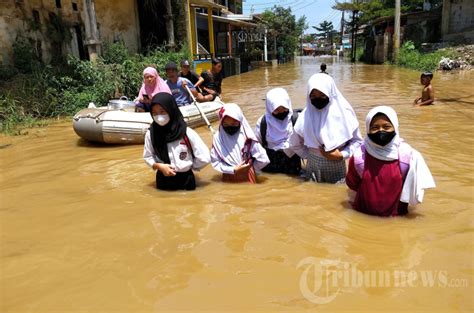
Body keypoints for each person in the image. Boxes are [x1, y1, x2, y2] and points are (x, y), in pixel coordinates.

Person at [346, 106, 435, 216]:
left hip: (396, 216)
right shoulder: (359, 157)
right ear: (368, 129)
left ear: (395, 128)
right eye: (375, 127)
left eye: (387, 127)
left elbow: (412, 186)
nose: (381, 131)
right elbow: (352, 183)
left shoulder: (407, 156)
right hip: (362, 215)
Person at [288, 73, 362, 184]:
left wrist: (342, 155)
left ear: (330, 92)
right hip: (313, 165)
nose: (317, 98)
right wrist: (310, 155)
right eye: (313, 95)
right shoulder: (305, 115)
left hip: (337, 164)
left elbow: (357, 141)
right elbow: (294, 143)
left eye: (322, 95)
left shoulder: (345, 114)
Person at [143, 93, 211, 191]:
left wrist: (188, 166)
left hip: (186, 180)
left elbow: (204, 157)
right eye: (154, 113)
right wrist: (158, 166)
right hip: (163, 179)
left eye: (162, 111)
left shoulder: (186, 132)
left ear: (171, 110)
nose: (159, 116)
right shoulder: (151, 134)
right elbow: (148, 156)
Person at [211, 103, 270, 183]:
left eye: (234, 124)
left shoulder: (248, 137)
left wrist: (249, 169)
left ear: (240, 121)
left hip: (242, 174)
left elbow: (264, 159)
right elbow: (215, 162)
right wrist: (233, 170)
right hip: (230, 174)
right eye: (225, 124)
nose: (230, 127)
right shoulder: (218, 138)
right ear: (221, 122)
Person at [255, 88, 301, 175]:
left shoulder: (297, 120)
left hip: (293, 166)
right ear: (269, 108)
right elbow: (256, 147)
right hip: (270, 166)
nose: (281, 112)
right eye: (276, 110)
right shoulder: (262, 123)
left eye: (284, 109)